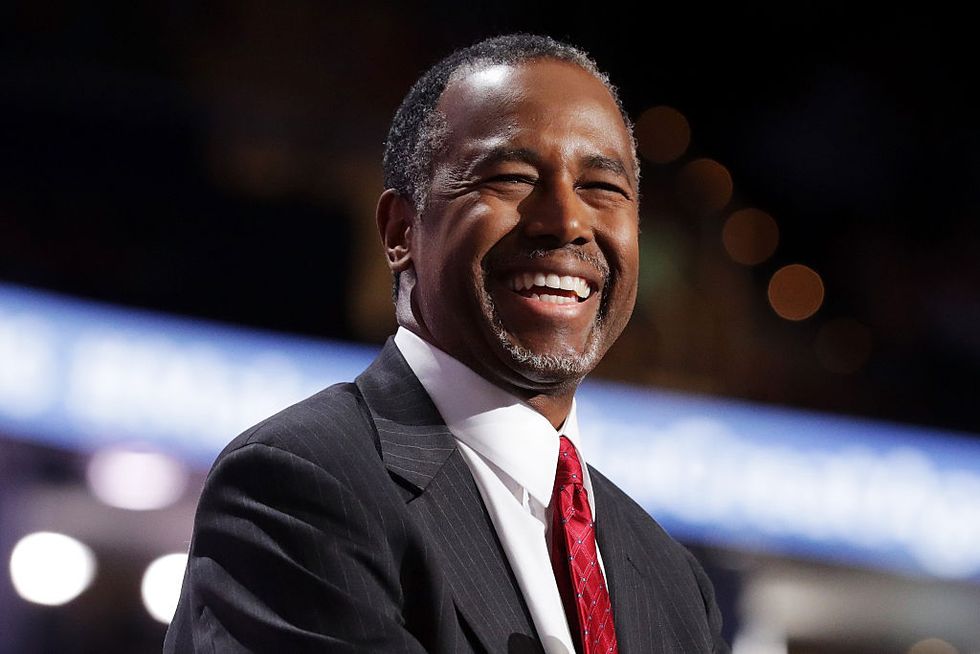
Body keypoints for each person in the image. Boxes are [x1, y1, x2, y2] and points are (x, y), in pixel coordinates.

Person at [165, 33, 728, 654]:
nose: (567, 221)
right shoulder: (297, 486)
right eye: (513, 178)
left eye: (603, 188)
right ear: (401, 231)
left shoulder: (676, 584)